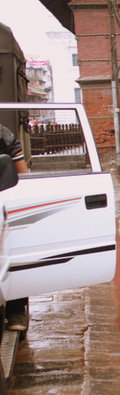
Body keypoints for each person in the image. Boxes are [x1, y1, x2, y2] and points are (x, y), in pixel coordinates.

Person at [0, 124, 30, 331]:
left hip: (3, 201)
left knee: (16, 254)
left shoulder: (3, 134)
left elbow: (22, 175)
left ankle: (16, 311)